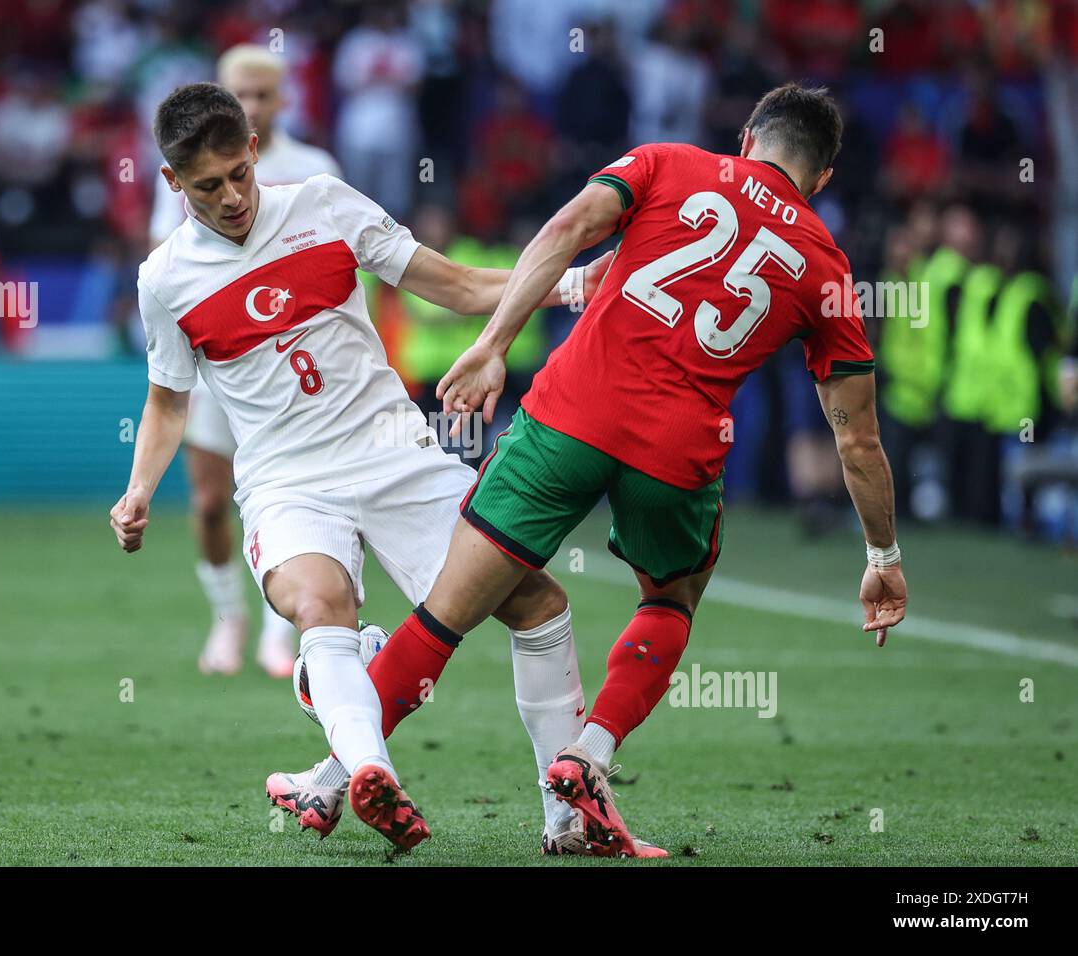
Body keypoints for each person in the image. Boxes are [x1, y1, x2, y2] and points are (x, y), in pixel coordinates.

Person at [282, 83, 908, 856]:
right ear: (823, 179)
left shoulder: (666, 162)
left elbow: (568, 227)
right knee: (671, 600)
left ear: (748, 136)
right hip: (676, 453)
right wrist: (882, 556)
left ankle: (332, 777)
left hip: (568, 417)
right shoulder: (827, 266)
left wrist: (493, 343)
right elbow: (858, 440)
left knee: (444, 616)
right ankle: (591, 755)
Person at [111, 82, 606, 852]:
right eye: (208, 187)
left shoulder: (322, 203)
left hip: (396, 455)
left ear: (253, 151)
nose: (234, 196)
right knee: (320, 604)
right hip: (287, 481)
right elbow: (168, 403)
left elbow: (459, 285)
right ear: (173, 182)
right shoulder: (165, 279)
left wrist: (571, 284)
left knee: (536, 603)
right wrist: (138, 489)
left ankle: (568, 819)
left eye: (240, 172)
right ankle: (374, 774)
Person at [149, 45, 340, 680]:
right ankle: (227, 616)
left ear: (280, 101)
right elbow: (168, 259)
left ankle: (279, 633)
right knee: (209, 503)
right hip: (221, 365)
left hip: (294, 371)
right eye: (242, 93)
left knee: (305, 499)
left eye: (263, 94)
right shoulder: (183, 168)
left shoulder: (314, 167)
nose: (252, 103)